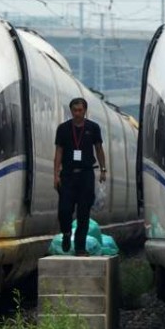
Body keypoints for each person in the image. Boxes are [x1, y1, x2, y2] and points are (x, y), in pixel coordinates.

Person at [54, 97, 108, 256]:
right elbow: (59, 151)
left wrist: (103, 169)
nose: (77, 113)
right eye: (75, 110)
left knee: (84, 212)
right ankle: (66, 232)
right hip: (68, 175)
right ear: (71, 111)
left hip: (86, 174)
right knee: (64, 209)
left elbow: (98, 149)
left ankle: (80, 247)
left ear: (85, 111)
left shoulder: (93, 127)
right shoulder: (63, 129)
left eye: (80, 110)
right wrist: (56, 174)